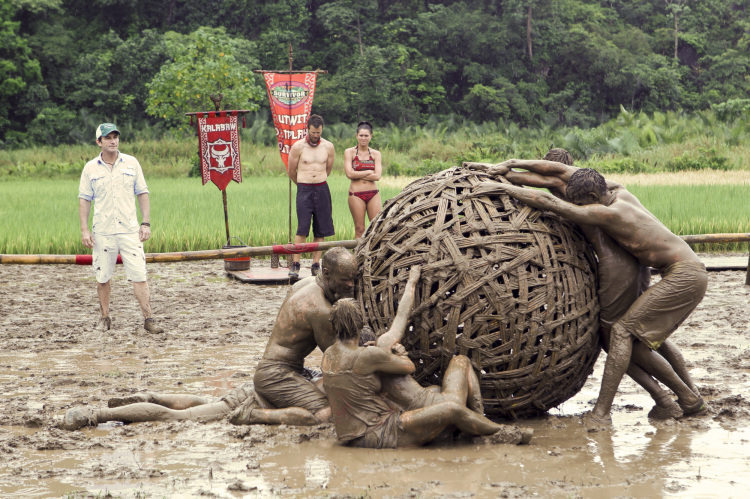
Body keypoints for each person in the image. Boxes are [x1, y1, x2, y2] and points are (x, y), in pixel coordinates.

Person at [466, 150, 701, 420]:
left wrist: (500, 186)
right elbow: (549, 175)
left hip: (631, 270)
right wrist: (503, 165)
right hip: (649, 267)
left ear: (587, 194)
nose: (555, 181)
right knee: (641, 337)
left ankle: (668, 399)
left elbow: (546, 196)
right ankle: (685, 396)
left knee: (619, 338)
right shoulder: (609, 187)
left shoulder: (602, 210)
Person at [321, 266, 532, 448]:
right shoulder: (372, 354)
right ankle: (497, 430)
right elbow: (405, 349)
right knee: (458, 375)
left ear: (334, 325)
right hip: (383, 433)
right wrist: (411, 283)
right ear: (360, 324)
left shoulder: (328, 356)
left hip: (353, 437)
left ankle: (472, 426)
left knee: (435, 392)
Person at [229, 246, 358, 426]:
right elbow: (337, 358)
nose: (351, 285)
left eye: (353, 279)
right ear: (327, 274)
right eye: (345, 280)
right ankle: (254, 414)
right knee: (327, 414)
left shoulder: (305, 284)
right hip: (277, 375)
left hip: (286, 369)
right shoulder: (320, 310)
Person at [78, 123, 163, 334]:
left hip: (129, 230)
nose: (113, 141)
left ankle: (148, 318)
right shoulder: (90, 168)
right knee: (103, 276)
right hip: (103, 231)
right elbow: (84, 200)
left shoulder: (132, 163)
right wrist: (84, 230)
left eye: (115, 136)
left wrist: (146, 223)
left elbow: (142, 193)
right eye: (108, 138)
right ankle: (105, 317)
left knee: (139, 274)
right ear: (99, 142)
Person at [287, 114, 336, 278]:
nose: (316, 135)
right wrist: (303, 184)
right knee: (302, 227)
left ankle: (316, 264)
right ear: (308, 130)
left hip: (322, 188)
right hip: (304, 189)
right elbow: (291, 171)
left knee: (320, 229)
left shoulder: (328, 147)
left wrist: (318, 181)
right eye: (313, 132)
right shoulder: (298, 147)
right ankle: (296, 264)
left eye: (318, 133)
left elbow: (328, 169)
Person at [343, 121, 382, 238]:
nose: (363, 138)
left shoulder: (376, 154)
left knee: (376, 227)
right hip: (356, 194)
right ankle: (359, 255)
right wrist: (368, 172)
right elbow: (349, 174)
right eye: (361, 135)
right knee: (360, 229)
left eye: (366, 135)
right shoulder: (349, 152)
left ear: (371, 136)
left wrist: (357, 173)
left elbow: (377, 176)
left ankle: (374, 255)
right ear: (356, 136)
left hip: (373, 194)